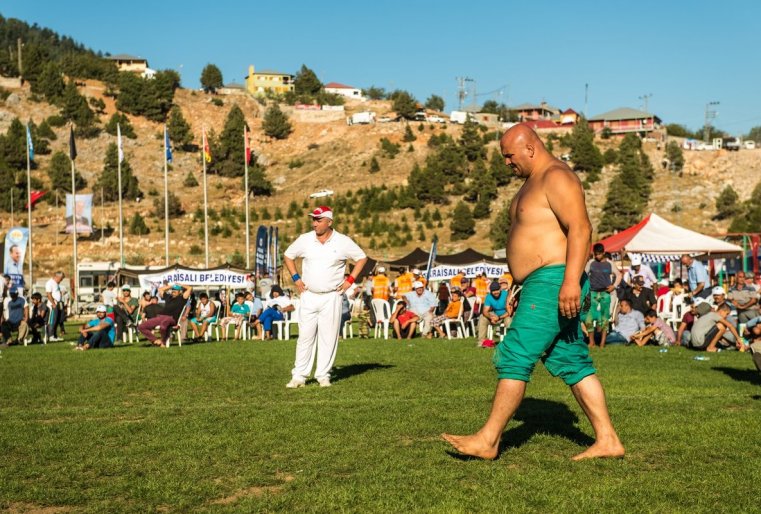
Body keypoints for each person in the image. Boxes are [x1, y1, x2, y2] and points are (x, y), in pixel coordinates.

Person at [442, 125, 624, 461]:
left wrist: (571, 281)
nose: (507, 163)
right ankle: (608, 440)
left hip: (554, 280)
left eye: (510, 156)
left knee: (514, 354)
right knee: (571, 360)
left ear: (530, 148)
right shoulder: (532, 184)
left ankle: (489, 439)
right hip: (540, 281)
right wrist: (516, 281)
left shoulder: (556, 176)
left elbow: (581, 228)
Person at [283, 205, 367, 388]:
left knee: (328, 337)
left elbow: (361, 258)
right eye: (313, 219)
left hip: (332, 296)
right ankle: (299, 376)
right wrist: (296, 278)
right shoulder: (305, 239)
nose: (314, 223)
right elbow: (288, 255)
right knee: (305, 336)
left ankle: (323, 375)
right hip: (309, 294)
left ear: (329, 221)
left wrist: (350, 280)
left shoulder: (343, 241)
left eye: (318, 220)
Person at [584, 243, 622, 349]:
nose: (597, 256)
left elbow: (619, 275)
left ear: (603, 253)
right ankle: (591, 342)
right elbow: (584, 275)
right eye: (595, 254)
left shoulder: (610, 264)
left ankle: (602, 343)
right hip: (592, 293)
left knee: (605, 318)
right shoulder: (591, 263)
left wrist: (614, 286)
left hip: (605, 293)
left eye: (599, 254)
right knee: (588, 318)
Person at [478, 281, 509, 347]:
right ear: (490, 291)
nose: (496, 292)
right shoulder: (488, 297)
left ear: (500, 289)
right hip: (495, 315)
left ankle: (512, 342)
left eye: (497, 290)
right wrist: (491, 317)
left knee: (509, 320)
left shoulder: (506, 294)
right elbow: (485, 311)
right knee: (482, 317)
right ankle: (481, 341)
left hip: (505, 315)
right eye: (493, 291)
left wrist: (499, 317)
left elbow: (509, 312)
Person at [45, 271, 65, 342]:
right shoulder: (50, 283)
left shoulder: (56, 283)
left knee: (56, 320)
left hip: (57, 303)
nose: (62, 280)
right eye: (61, 278)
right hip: (52, 304)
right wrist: (53, 303)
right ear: (57, 277)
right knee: (52, 321)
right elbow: (48, 294)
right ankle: (50, 336)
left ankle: (54, 335)